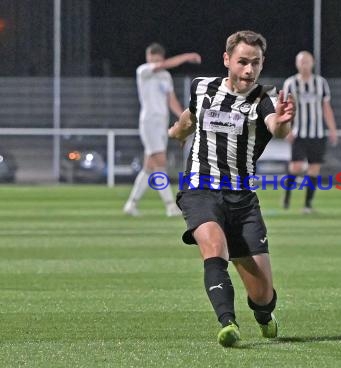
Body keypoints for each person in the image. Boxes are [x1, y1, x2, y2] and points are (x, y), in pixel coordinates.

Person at [168, 30, 295, 347]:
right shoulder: (203, 88)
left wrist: (283, 121)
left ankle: (264, 314)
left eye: (256, 63)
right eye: (242, 62)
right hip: (200, 189)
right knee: (214, 248)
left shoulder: (264, 100)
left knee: (263, 295)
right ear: (227, 60)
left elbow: (276, 129)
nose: (249, 70)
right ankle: (228, 323)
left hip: (242, 200)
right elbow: (189, 117)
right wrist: (177, 131)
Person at [123, 43, 201, 217]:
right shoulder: (143, 71)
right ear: (148, 58)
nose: (155, 62)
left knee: (149, 167)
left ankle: (131, 204)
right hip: (149, 122)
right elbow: (162, 66)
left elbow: (171, 100)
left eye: (157, 59)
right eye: (151, 58)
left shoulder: (165, 77)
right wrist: (187, 56)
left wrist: (184, 117)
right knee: (160, 163)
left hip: (161, 123)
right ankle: (170, 206)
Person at [282, 51, 338, 213]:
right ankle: (287, 195)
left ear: (312, 63)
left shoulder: (321, 83)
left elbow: (326, 108)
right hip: (299, 133)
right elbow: (285, 108)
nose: (304, 65)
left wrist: (333, 129)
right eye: (301, 62)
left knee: (314, 169)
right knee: (296, 167)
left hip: (318, 134)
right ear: (297, 64)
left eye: (307, 61)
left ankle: (307, 205)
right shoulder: (290, 83)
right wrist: (287, 129)